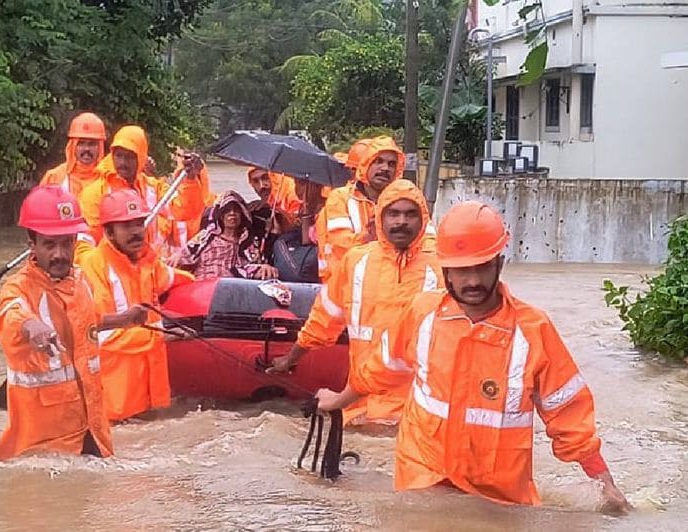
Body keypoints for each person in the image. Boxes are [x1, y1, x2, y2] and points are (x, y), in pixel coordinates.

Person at [314, 201, 632, 513]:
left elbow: (568, 413)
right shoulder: (422, 314)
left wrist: (604, 482)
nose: (473, 281)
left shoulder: (533, 330)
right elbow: (381, 368)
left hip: (498, 496)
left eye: (482, 267)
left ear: (500, 264)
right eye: (462, 271)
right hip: (422, 483)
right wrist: (339, 400)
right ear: (446, 271)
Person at [270, 180, 442, 425]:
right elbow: (324, 318)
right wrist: (291, 359)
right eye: (393, 213)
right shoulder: (356, 262)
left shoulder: (443, 269)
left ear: (423, 219)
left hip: (419, 414)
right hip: (362, 405)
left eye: (410, 214)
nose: (401, 221)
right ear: (379, 218)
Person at [0, 186, 114, 461]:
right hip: (42, 448)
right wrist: (32, 326)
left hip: (93, 434)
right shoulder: (18, 288)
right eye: (49, 244)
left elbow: (88, 327)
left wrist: (126, 320)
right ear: (32, 245)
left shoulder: (82, 282)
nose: (60, 254)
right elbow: (12, 315)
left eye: (66, 243)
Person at [79, 189, 194, 422]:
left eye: (139, 224)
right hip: (113, 405)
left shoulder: (147, 262)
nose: (136, 232)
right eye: (126, 226)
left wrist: (207, 285)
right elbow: (98, 333)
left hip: (148, 397)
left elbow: (174, 278)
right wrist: (160, 335)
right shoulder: (94, 266)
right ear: (109, 231)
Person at [77, 125, 205, 257]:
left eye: (130, 157)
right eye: (118, 156)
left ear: (141, 157)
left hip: (150, 269)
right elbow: (86, 239)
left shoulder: (155, 188)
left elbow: (184, 211)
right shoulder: (95, 193)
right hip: (112, 270)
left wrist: (190, 180)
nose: (123, 162)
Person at [314, 136, 404, 283]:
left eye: (391, 164)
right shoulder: (340, 198)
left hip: (389, 284)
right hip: (344, 285)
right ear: (365, 164)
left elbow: (426, 244)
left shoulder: (404, 201)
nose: (385, 168)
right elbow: (341, 245)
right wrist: (371, 237)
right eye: (378, 161)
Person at [171, 190, 278, 281]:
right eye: (227, 210)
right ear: (220, 215)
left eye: (236, 210)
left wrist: (263, 268)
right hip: (202, 286)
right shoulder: (206, 237)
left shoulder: (248, 242)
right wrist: (175, 259)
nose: (232, 213)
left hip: (232, 290)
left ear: (243, 215)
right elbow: (181, 257)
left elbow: (253, 267)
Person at [39, 112, 107, 199]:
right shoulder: (54, 177)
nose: (86, 149)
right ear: (72, 146)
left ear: (100, 147)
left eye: (92, 144)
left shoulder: (109, 180)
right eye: (81, 143)